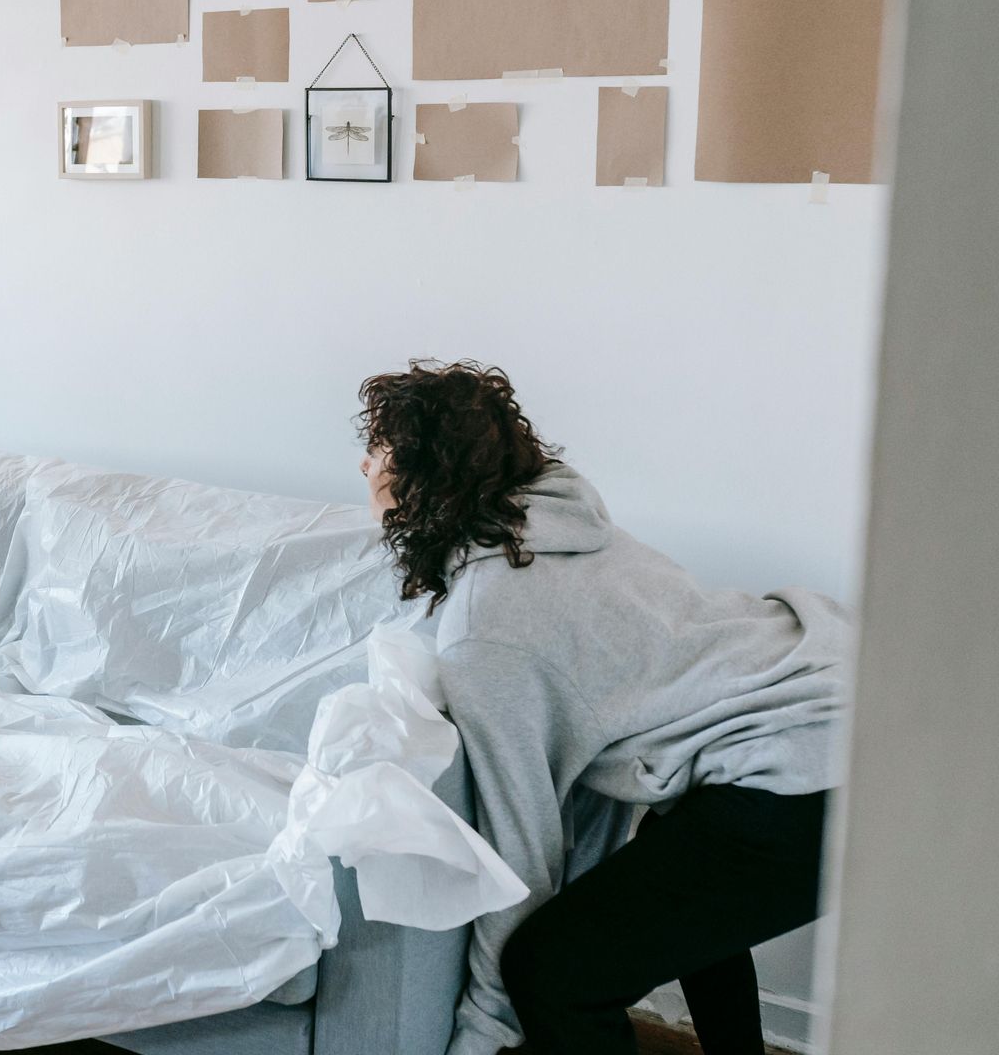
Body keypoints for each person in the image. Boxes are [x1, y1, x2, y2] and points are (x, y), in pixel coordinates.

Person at [353, 360, 847, 1055]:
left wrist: (481, 1033)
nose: (366, 466)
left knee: (554, 975)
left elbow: (520, 855)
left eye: (382, 451)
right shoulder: (561, 521)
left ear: (423, 480)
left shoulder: (486, 629)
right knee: (677, 887)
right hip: (836, 702)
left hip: (797, 776)